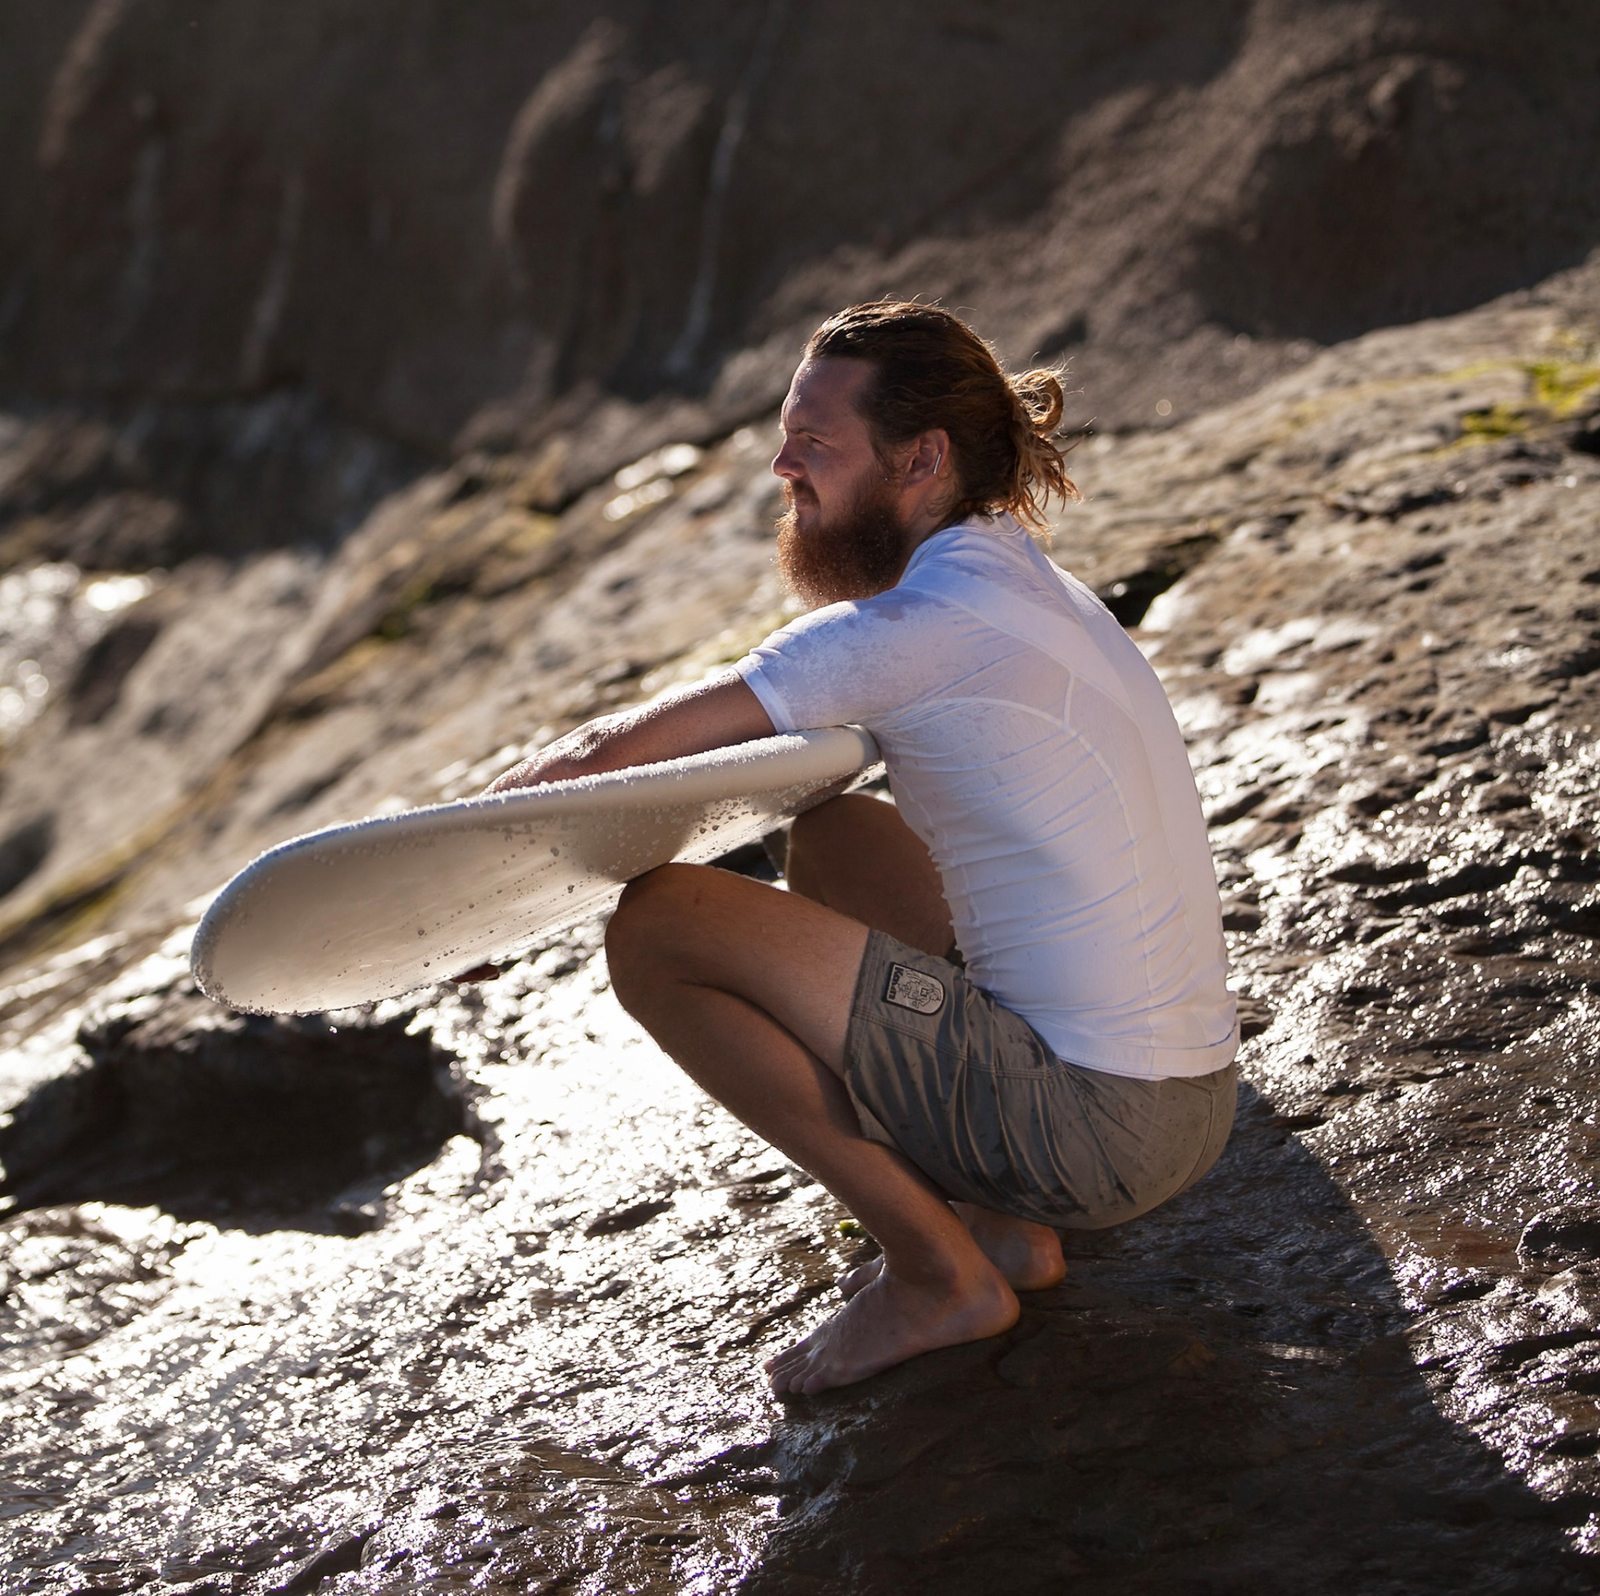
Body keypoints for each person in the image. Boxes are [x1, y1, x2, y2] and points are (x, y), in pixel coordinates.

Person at [483, 301, 1238, 1397]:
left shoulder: (912, 630)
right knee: (837, 834)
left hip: (1093, 1132)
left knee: (662, 925)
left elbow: (604, 755)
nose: (783, 466)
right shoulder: (1023, 580)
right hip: (1188, 1102)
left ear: (920, 458)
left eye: (815, 441)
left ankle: (939, 1277)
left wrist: (466, 905)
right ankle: (1001, 1229)